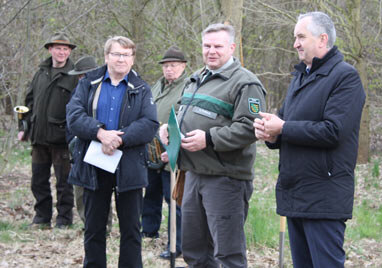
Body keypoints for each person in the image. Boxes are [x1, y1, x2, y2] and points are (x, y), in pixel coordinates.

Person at [253, 12, 365, 268]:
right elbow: (285, 124)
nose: (295, 44)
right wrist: (271, 133)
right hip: (296, 193)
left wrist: (283, 127)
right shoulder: (300, 77)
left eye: (301, 37)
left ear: (322, 39)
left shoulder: (345, 78)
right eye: (295, 37)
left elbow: (333, 131)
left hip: (324, 196)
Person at [160, 23, 266, 267]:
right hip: (193, 175)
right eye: (207, 46)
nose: (211, 51)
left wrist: (208, 139)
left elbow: (251, 128)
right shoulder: (196, 78)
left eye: (218, 46)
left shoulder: (246, 83)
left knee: (228, 254)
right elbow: (180, 113)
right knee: (195, 251)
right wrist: (168, 128)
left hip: (225, 179)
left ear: (231, 47)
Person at [66, 36, 159, 267]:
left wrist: (118, 139)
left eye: (126, 55)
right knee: (94, 227)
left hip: (129, 166)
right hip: (93, 166)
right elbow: (74, 116)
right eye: (116, 54)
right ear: (107, 56)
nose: (121, 59)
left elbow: (149, 124)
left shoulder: (142, 88)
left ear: (132, 59)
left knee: (131, 230)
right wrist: (100, 133)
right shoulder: (88, 83)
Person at [18, 32, 77, 229]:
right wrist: (24, 127)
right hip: (38, 136)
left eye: (65, 49)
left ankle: (64, 220)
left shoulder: (74, 76)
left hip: (62, 139)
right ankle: (42, 218)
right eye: (58, 48)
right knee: (38, 181)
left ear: (69, 52)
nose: (62, 52)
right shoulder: (40, 73)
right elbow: (29, 102)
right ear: (50, 49)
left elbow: (78, 108)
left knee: (64, 183)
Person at [142, 46, 187, 259]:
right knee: (150, 193)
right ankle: (148, 230)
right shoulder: (156, 86)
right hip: (151, 147)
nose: (169, 70)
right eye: (166, 66)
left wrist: (173, 143)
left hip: (173, 149)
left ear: (183, 66)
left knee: (174, 199)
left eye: (174, 66)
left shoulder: (188, 87)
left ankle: (177, 244)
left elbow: (184, 117)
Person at [67, 55, 112, 230]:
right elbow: (71, 121)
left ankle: (104, 227)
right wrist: (72, 142)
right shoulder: (77, 93)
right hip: (78, 148)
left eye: (84, 75)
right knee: (80, 189)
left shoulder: (107, 91)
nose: (81, 79)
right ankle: (88, 224)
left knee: (101, 188)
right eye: (79, 76)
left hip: (99, 146)